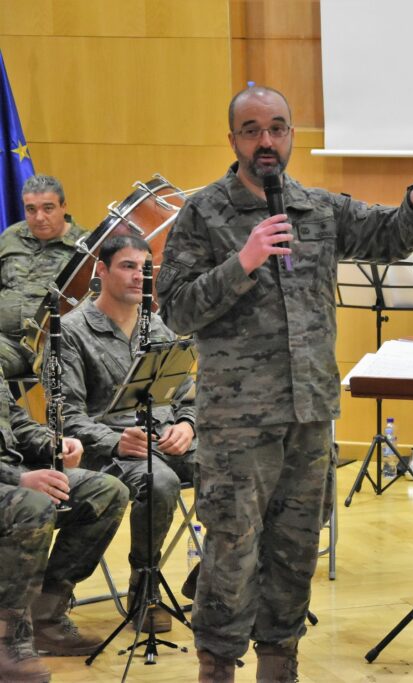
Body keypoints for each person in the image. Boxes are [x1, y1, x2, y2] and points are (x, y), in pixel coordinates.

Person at [155, 84, 413, 681]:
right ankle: (217, 664)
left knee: (296, 546)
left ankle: (279, 662)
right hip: (239, 420)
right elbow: (176, 310)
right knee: (231, 545)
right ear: (234, 139)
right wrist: (241, 263)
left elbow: (387, 236)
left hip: (310, 412)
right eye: (252, 129)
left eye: (277, 128)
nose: (265, 140)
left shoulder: (317, 207)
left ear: (292, 134)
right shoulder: (203, 212)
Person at [56, 234, 196, 633]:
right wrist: (115, 440)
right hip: (109, 450)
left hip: (167, 437)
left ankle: (214, 577)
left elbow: (188, 396)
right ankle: (144, 587)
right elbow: (66, 415)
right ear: (101, 271)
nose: (140, 276)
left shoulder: (161, 326)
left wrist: (188, 425)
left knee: (234, 463)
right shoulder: (72, 331)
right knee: (161, 481)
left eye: (145, 268)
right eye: (128, 266)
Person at [0, 369, 129, 676]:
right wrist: (17, 478)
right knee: (32, 506)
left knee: (107, 491)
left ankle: (46, 615)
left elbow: (14, 419)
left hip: (12, 474)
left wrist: (54, 444)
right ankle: (8, 638)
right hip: (9, 478)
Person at [0, 175, 88, 377]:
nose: (39, 217)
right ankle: (15, 411)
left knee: (67, 383)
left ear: (63, 206)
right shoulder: (10, 237)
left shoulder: (85, 248)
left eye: (48, 208)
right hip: (8, 342)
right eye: (31, 209)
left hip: (56, 344)